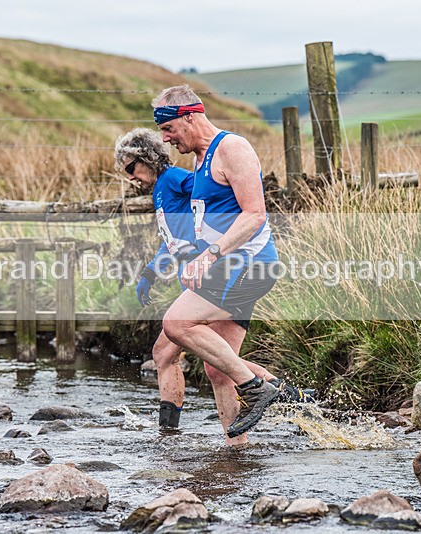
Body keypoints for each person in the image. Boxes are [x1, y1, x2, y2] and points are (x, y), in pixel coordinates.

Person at [114, 128, 312, 443]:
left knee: (165, 350)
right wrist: (151, 271)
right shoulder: (160, 190)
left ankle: (169, 438)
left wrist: (213, 250)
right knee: (217, 368)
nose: (130, 177)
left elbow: (216, 198)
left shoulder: (175, 179)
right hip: (215, 275)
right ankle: (258, 428)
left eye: (130, 168)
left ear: (147, 158)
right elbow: (172, 242)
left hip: (220, 274)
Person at [152, 85, 284, 441]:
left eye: (168, 129)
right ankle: (237, 453)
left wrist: (211, 255)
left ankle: (258, 388)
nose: (165, 139)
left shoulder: (232, 148)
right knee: (216, 369)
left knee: (176, 324)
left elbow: (254, 214)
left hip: (248, 263)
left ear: (190, 117)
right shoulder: (199, 158)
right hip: (230, 266)